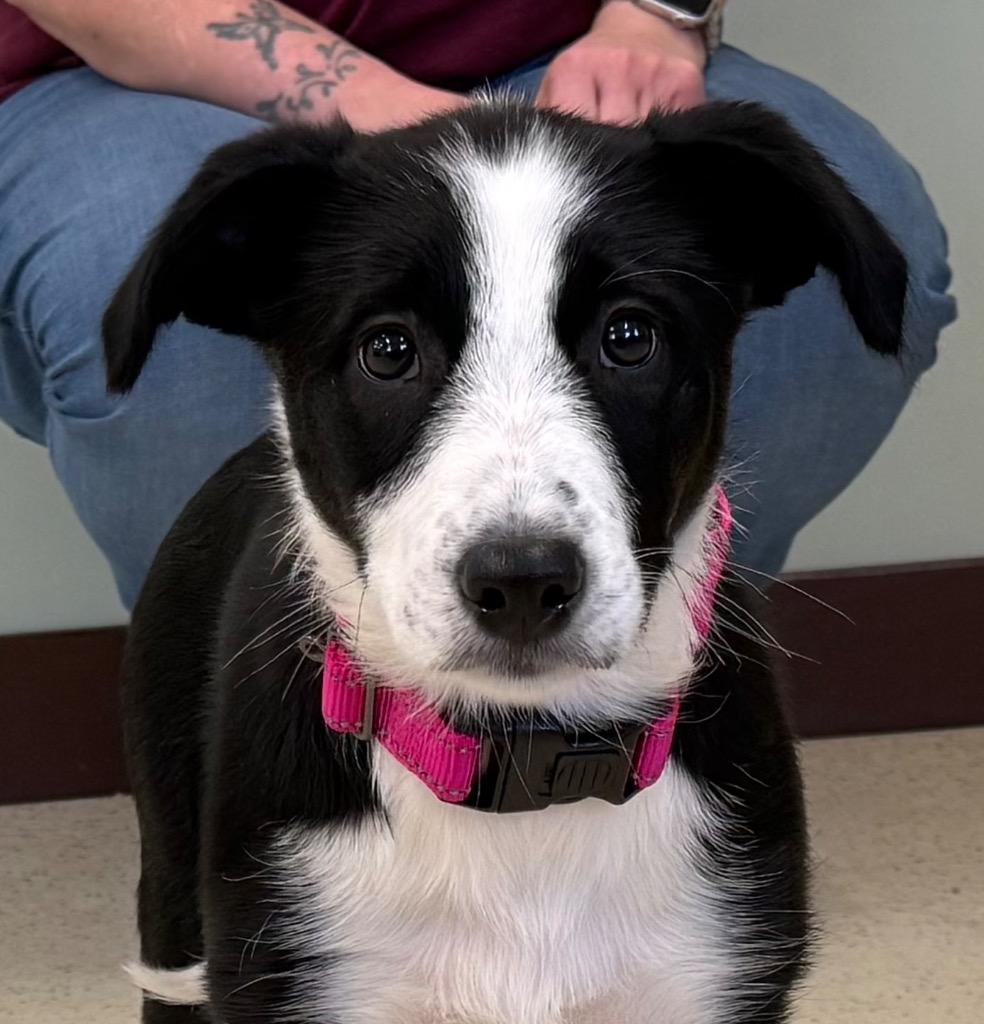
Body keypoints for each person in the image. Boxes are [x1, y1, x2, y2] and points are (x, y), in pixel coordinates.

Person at [0, 0, 957, 609]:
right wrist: (392, 118)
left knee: (858, 282)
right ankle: (254, 740)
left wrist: (659, 14)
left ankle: (650, 704)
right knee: (165, 332)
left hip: (564, 38)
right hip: (128, 58)